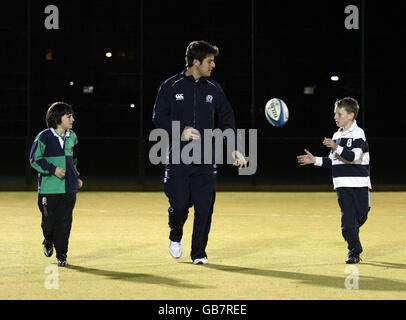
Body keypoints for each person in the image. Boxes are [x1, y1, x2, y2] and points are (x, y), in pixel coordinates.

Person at [152, 40, 247, 265]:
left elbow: (227, 120)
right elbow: (158, 118)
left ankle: (199, 252)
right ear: (196, 62)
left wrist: (235, 149)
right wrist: (179, 132)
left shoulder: (214, 89)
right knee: (180, 206)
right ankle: (175, 235)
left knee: (204, 208)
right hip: (177, 159)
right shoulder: (170, 85)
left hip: (206, 160)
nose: (213, 65)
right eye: (209, 61)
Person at [297, 97, 371, 264]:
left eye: (339, 114)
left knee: (361, 215)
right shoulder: (336, 136)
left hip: (360, 185)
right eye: (334, 114)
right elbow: (333, 161)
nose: (335, 117)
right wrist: (314, 160)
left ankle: (353, 233)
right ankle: (354, 251)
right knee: (347, 225)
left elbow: (353, 156)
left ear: (351, 115)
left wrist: (336, 147)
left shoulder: (359, 134)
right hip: (342, 186)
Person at [29, 102, 83, 267]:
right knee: (48, 221)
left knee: (65, 222)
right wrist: (52, 169)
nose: (72, 119)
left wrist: (76, 177)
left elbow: (73, 161)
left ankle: (62, 255)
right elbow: (34, 159)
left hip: (69, 188)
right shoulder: (44, 136)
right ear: (58, 118)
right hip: (48, 189)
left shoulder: (72, 136)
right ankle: (48, 240)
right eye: (69, 116)